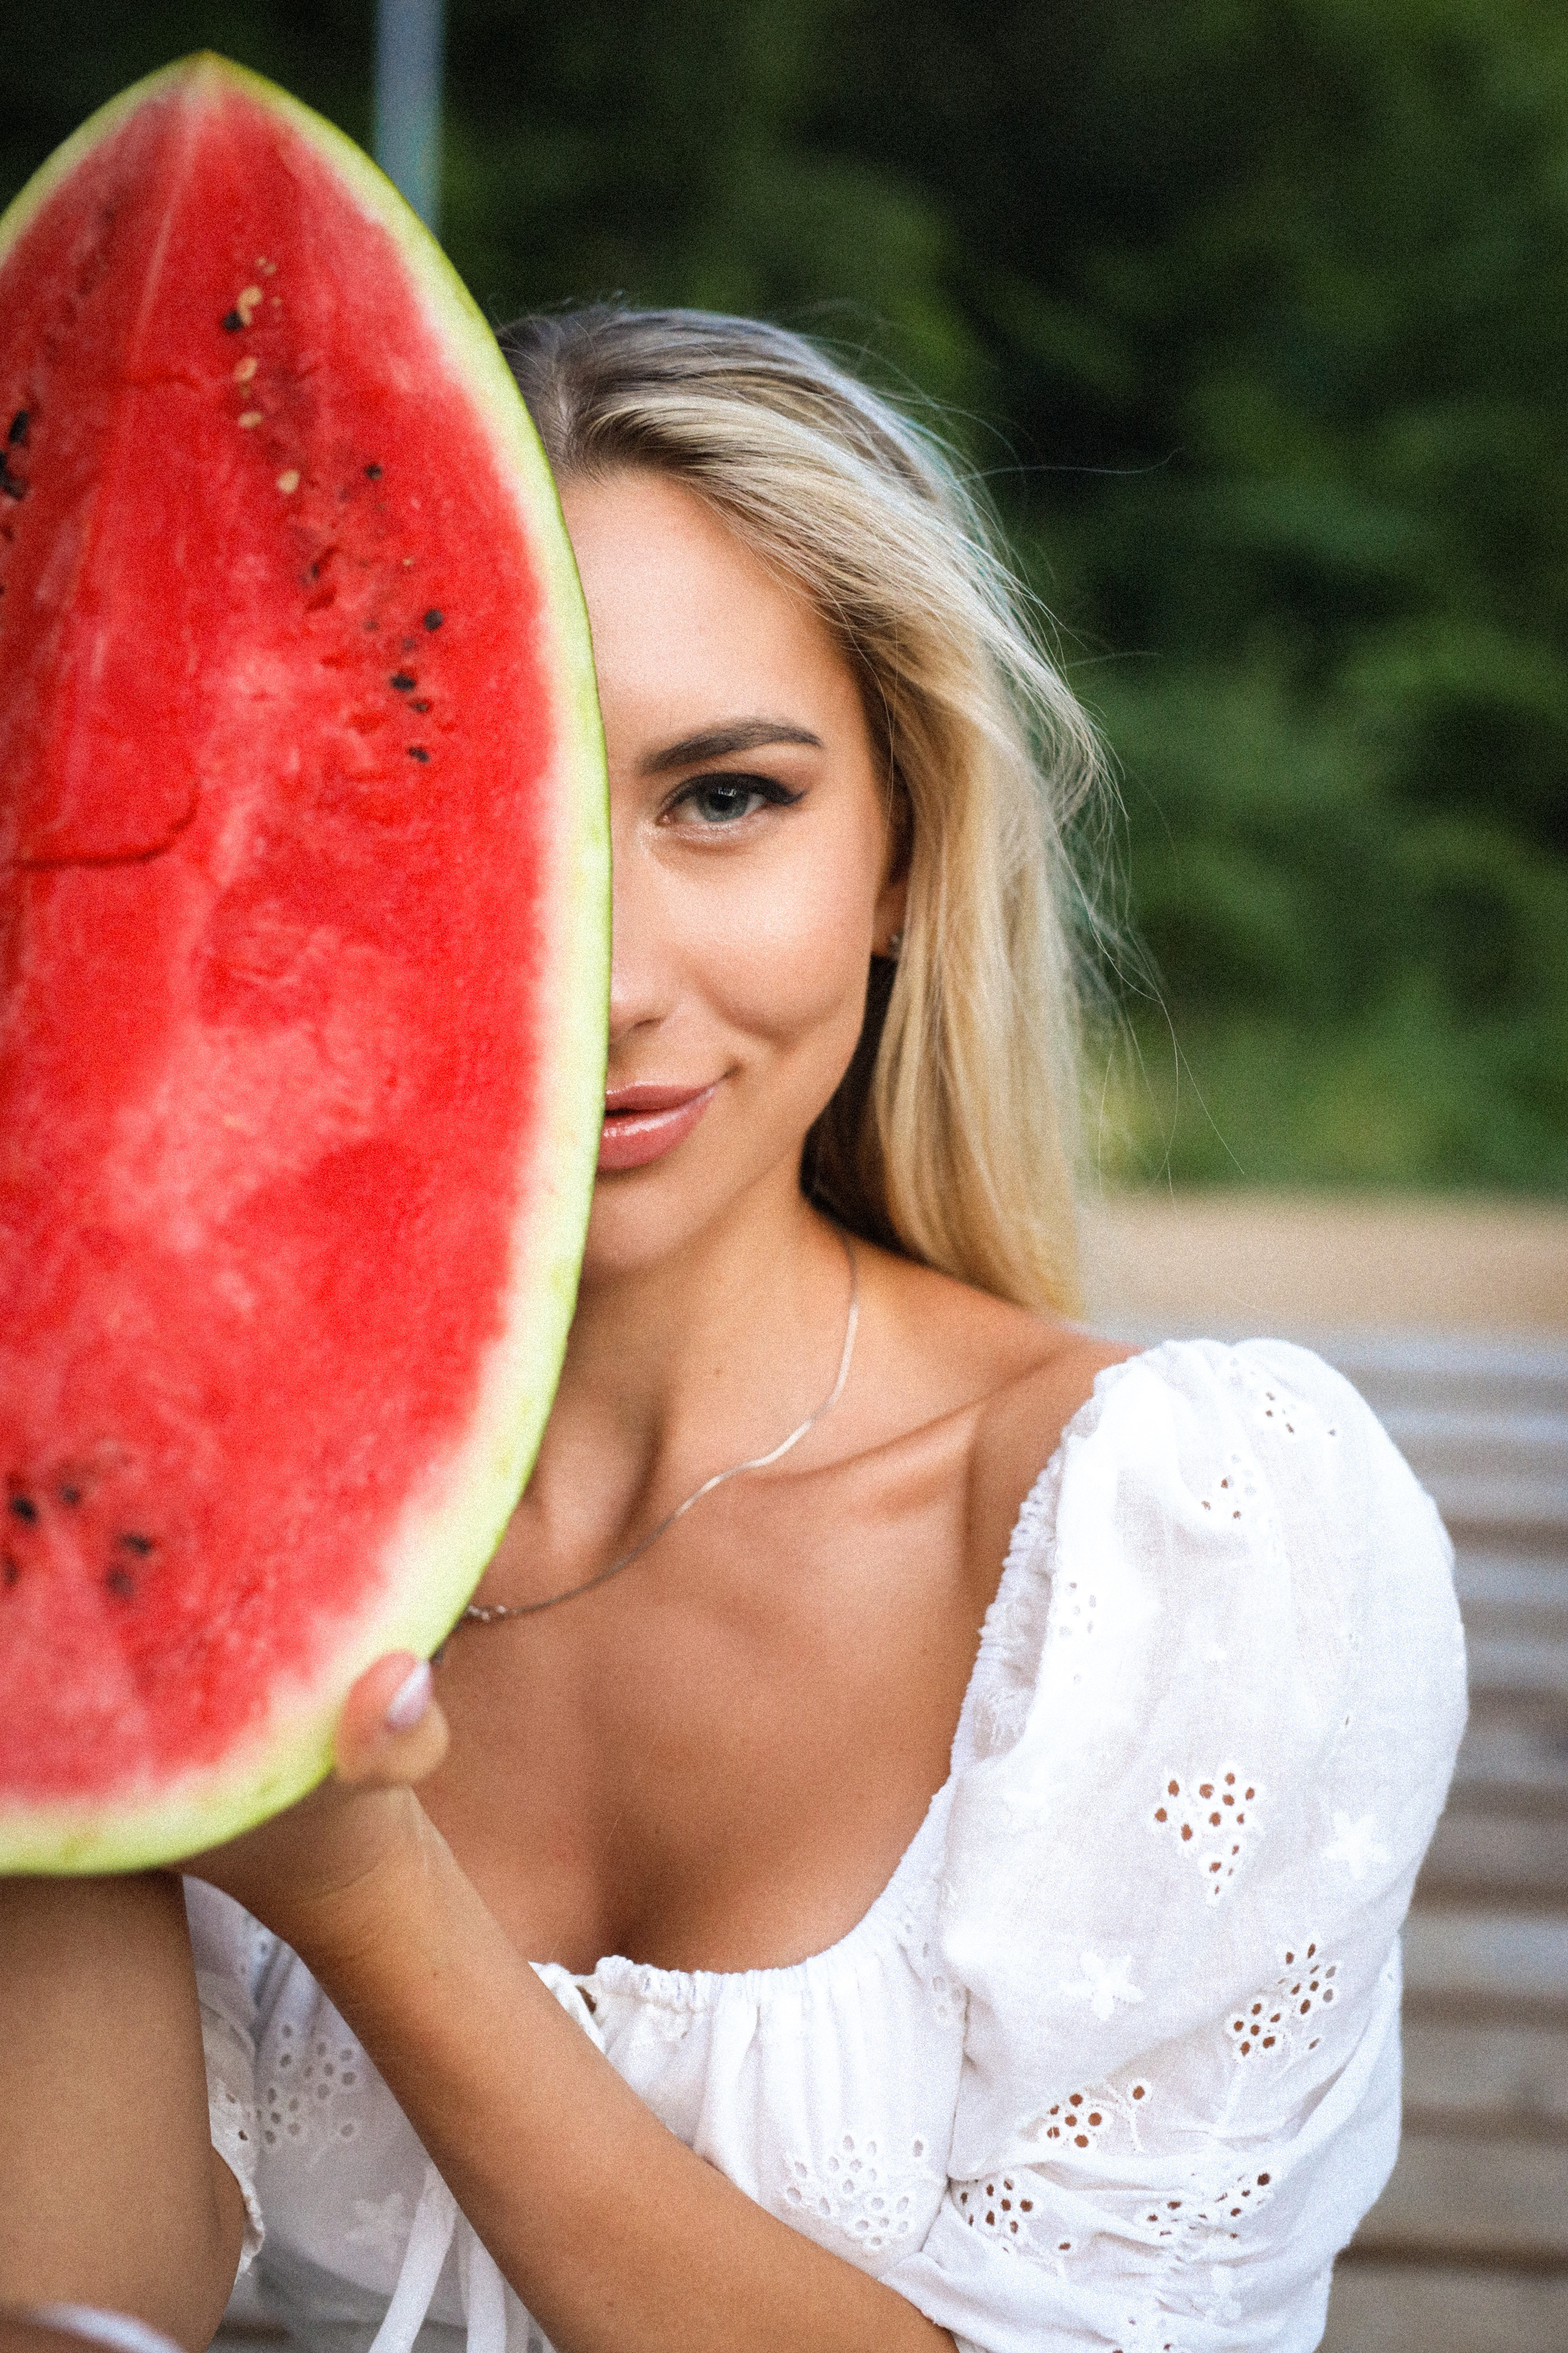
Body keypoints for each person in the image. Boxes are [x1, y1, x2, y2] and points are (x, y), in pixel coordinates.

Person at [0, 308, 1465, 2353]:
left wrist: (364, 1895)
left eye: (724, 799)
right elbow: (78, 2311)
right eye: (471, 817)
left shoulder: (1190, 1536)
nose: (604, 982)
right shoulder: (162, 1502)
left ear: (902, 847)